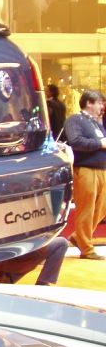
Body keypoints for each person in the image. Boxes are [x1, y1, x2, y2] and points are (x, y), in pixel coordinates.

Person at [63, 90, 106, 259]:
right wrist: (99, 144)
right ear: (89, 103)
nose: (102, 106)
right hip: (86, 170)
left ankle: (78, 237)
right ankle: (86, 248)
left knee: (102, 208)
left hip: (101, 170)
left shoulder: (96, 123)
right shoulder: (74, 120)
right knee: (86, 209)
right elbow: (76, 142)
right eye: (99, 103)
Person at [0, 236, 69, 286]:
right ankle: (43, 283)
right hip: (21, 250)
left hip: (0, 256)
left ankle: (10, 275)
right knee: (62, 243)